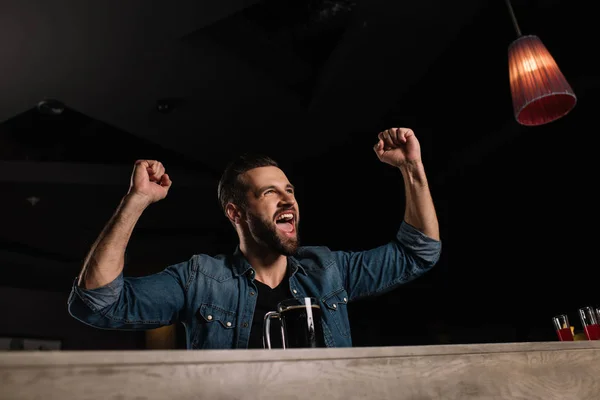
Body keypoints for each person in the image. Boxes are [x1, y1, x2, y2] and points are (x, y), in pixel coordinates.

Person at [68, 127, 441, 349]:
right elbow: (97, 304)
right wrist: (136, 201)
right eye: (269, 193)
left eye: (289, 190)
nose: (288, 199)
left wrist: (412, 167)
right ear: (236, 214)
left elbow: (417, 253)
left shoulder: (328, 270)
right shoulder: (200, 280)